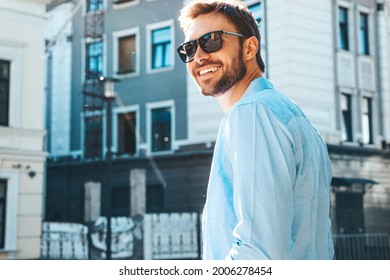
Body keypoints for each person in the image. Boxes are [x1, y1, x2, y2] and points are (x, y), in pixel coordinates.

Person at [177, 0, 334, 260]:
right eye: (189, 48)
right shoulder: (291, 115)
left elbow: (259, 254)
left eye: (212, 41)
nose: (200, 56)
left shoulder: (252, 113)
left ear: (249, 47)